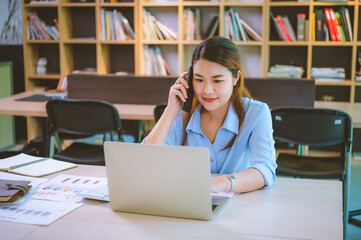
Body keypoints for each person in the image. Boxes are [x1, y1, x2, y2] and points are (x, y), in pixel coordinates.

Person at [144, 36, 277, 194]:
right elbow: (147, 162)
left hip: (240, 207)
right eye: (199, 80)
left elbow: (265, 169)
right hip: (187, 202)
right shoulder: (180, 114)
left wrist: (222, 183)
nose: (207, 90)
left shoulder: (256, 113)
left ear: (235, 78)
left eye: (217, 81)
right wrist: (170, 110)